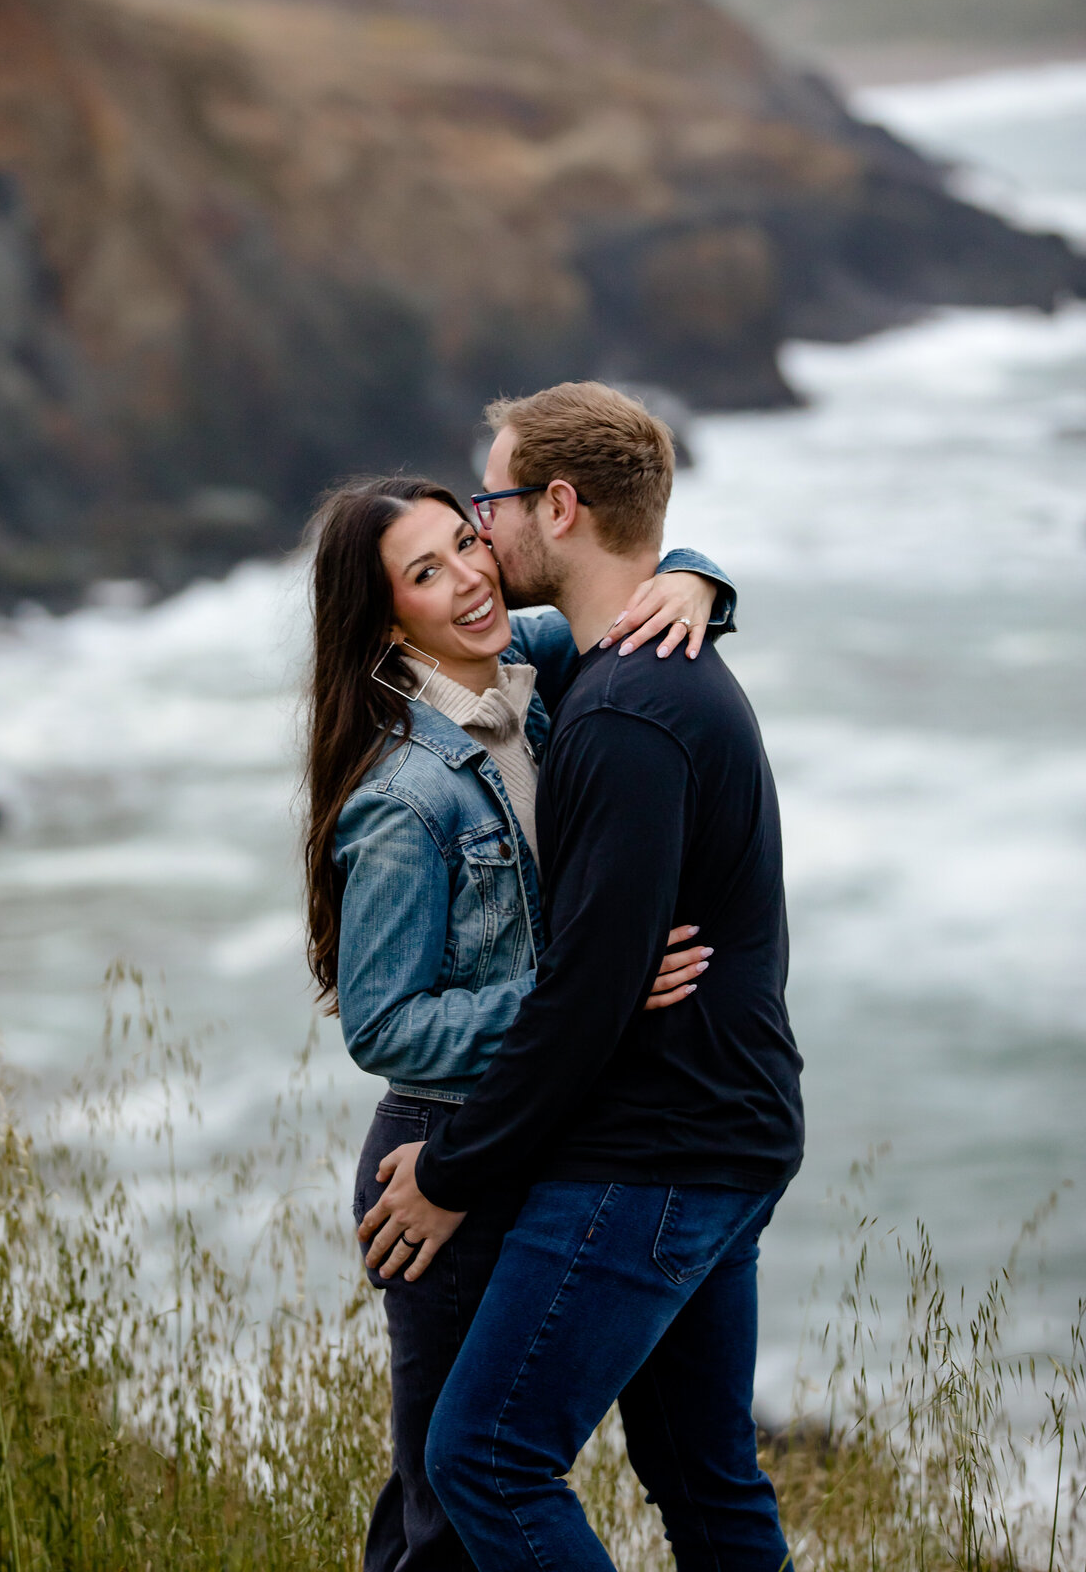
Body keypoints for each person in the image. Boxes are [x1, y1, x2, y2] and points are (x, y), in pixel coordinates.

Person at [359, 383, 805, 1572]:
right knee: (707, 1484)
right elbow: (587, 984)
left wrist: (452, 1171)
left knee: (487, 1463)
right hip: (734, 1129)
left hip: (658, 1151)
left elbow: (584, 998)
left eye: (489, 506)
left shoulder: (623, 714)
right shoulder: (632, 670)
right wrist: (697, 575)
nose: (481, 546)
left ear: (558, 506)